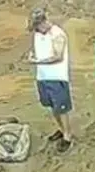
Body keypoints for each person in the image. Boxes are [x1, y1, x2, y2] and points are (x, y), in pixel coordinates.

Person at [28, 8, 73, 152]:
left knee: (61, 107)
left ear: (43, 22)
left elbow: (58, 56)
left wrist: (37, 61)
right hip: (43, 76)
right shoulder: (38, 34)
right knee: (52, 106)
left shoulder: (57, 34)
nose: (36, 30)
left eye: (37, 27)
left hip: (57, 76)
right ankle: (61, 128)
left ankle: (67, 135)